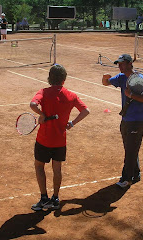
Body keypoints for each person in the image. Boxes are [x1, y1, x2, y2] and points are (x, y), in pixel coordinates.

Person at [30, 64, 90, 211]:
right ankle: (55, 199)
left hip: (43, 139)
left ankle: (44, 198)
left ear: (50, 78)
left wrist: (42, 115)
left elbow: (32, 104)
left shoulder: (43, 92)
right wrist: (72, 123)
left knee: (39, 166)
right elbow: (86, 110)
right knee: (57, 169)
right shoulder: (71, 95)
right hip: (60, 140)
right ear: (64, 79)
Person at [102, 54, 143, 189]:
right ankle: (135, 174)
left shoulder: (139, 79)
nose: (119, 66)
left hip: (137, 120)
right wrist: (105, 77)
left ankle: (126, 178)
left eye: (122, 64)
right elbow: (106, 83)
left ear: (129, 63)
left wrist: (131, 95)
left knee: (130, 149)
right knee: (130, 148)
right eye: (118, 64)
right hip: (126, 119)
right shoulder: (121, 77)